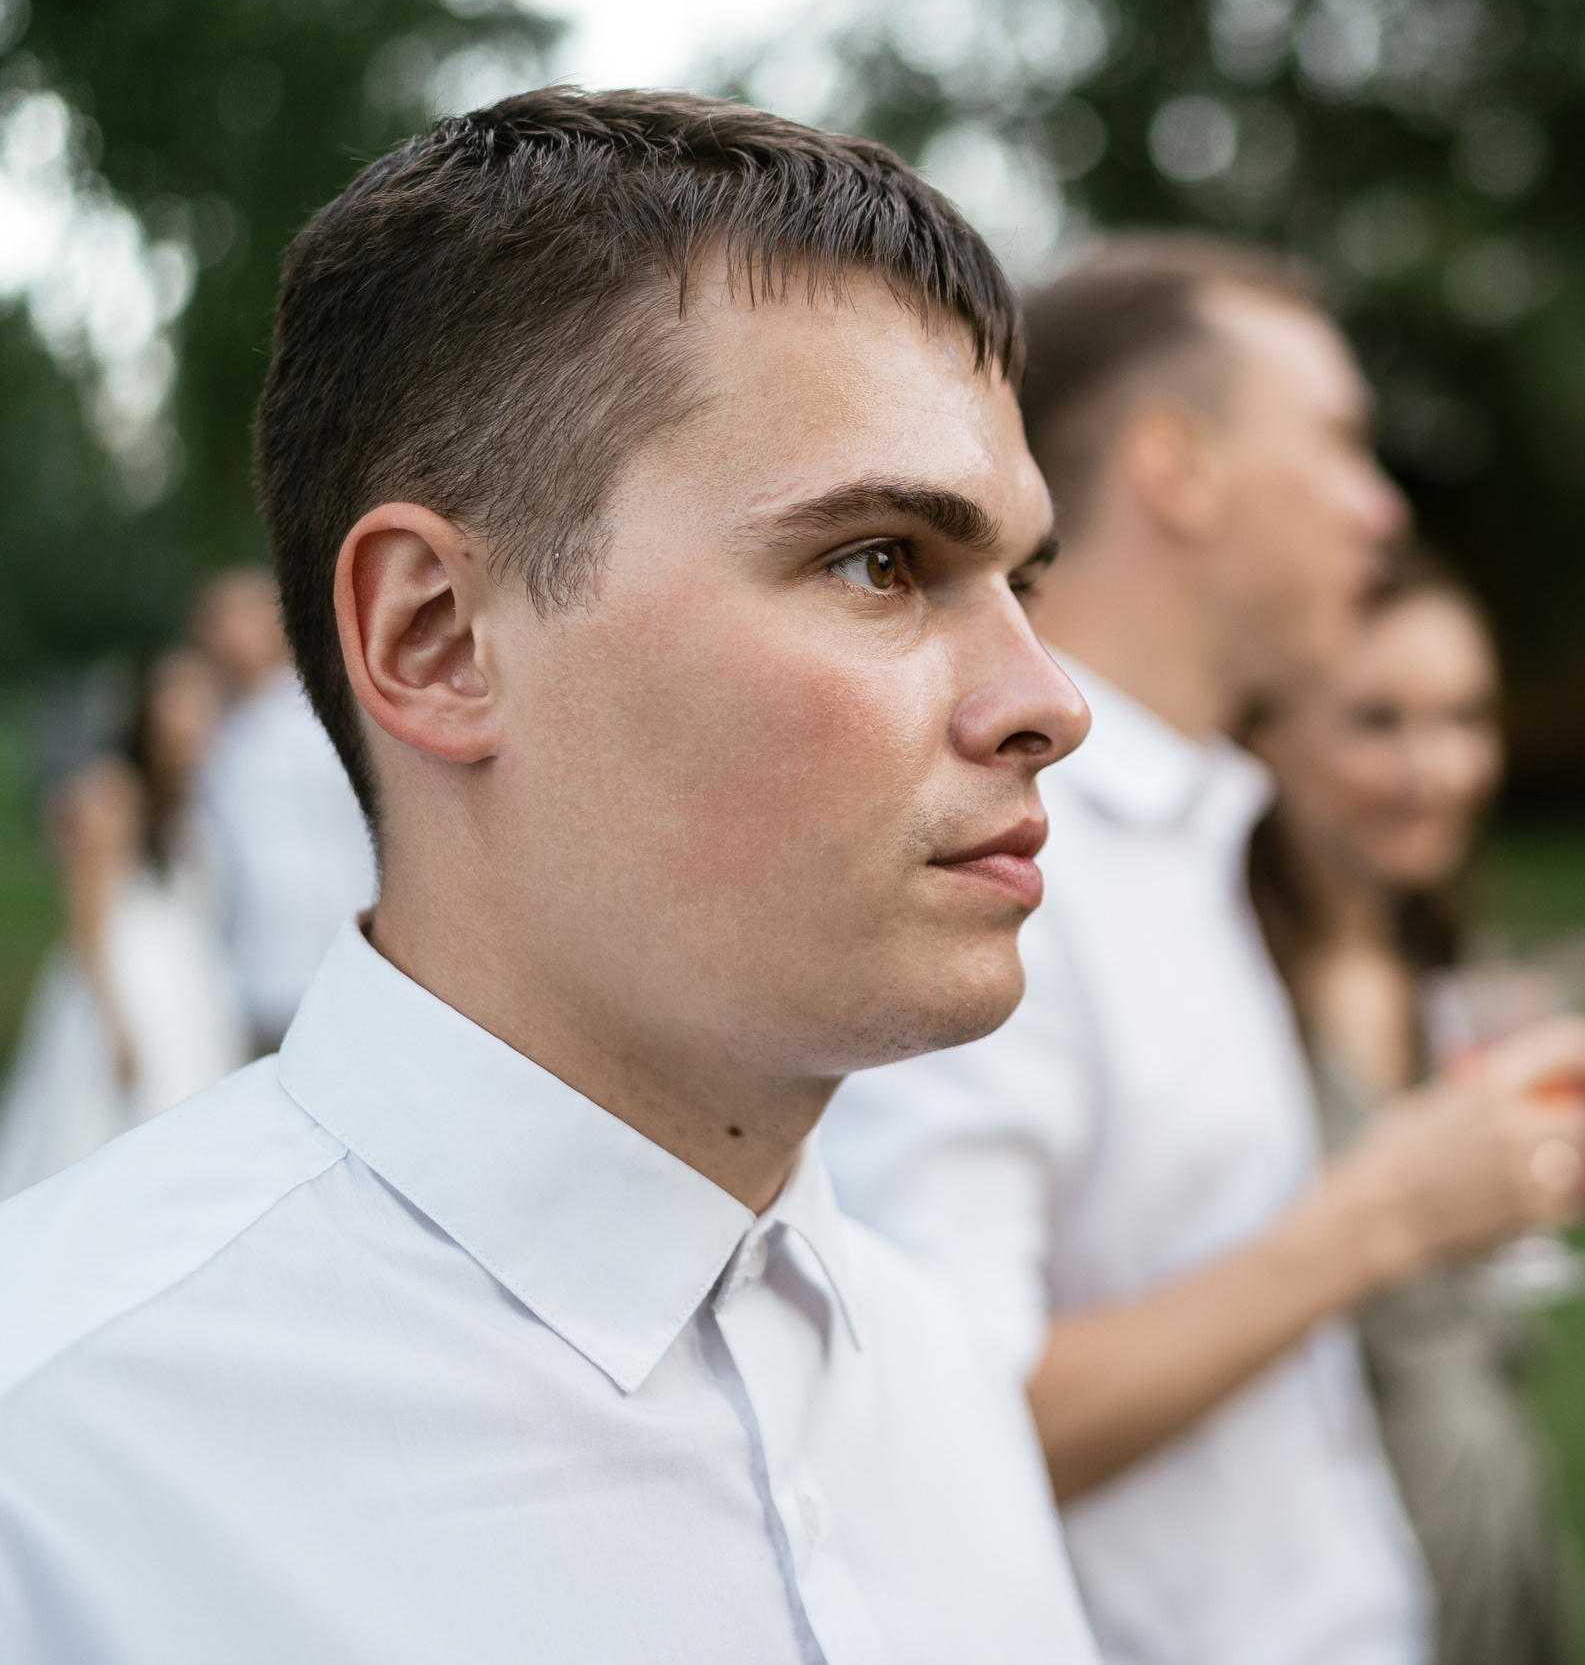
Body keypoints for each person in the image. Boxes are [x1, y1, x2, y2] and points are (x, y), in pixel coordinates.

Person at [0, 88, 1102, 1664]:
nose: (1052, 699)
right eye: (880, 560)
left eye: (1023, 580)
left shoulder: (932, 1373)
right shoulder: (53, 1461)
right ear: (436, 638)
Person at [824, 236, 1585, 1665]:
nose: (1379, 506)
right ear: (1180, 466)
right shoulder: (1000, 861)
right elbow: (935, 1435)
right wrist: (1379, 1217)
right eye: (1338, 441)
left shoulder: (1198, 826)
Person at [1244, 546, 1585, 1665]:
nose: (1432, 769)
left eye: (1464, 717)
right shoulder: (1223, 992)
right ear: (1268, 732)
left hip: (1482, 1507)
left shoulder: (1440, 952)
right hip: (1304, 1555)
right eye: (1377, 721)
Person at [0, 651, 250, 1198]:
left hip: (189, 999)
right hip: (126, 996)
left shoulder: (198, 801)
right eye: (180, 706)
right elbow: (86, 921)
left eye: (204, 708)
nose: (193, 723)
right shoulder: (112, 796)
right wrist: (115, 1024)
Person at [191, 566, 379, 1051]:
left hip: (337, 953)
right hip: (249, 970)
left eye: (241, 616)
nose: (227, 634)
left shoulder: (330, 708)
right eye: (217, 621)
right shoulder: (209, 727)